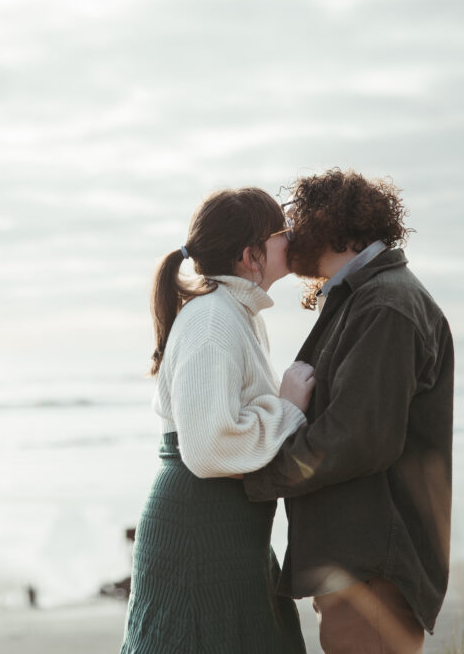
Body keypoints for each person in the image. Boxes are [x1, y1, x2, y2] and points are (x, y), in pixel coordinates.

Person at [243, 169, 455, 654]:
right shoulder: (366, 297)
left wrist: (259, 477)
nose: (289, 238)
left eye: (296, 224)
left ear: (333, 226)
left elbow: (358, 439)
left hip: (373, 565)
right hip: (359, 559)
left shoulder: (386, 305)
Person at [120, 187, 314, 654]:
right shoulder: (212, 321)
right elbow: (208, 449)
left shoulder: (235, 314)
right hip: (199, 530)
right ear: (251, 256)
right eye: (281, 233)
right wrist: (287, 408)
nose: (292, 239)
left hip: (225, 527)